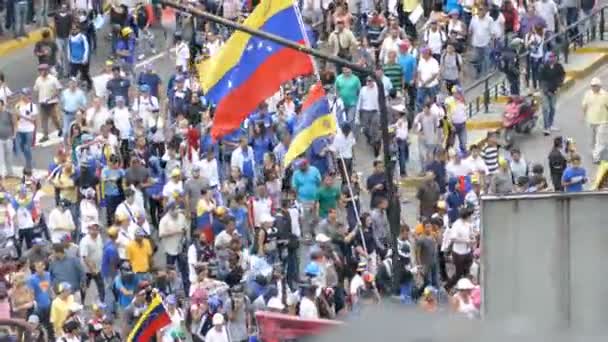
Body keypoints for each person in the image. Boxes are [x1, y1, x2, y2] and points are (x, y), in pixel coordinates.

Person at [582, 77, 608, 162]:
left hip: (602, 121)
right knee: (591, 139)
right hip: (590, 120)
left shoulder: (605, 95)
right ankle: (594, 152)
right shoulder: (588, 94)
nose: (593, 87)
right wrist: (583, 116)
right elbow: (584, 106)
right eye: (592, 86)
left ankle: (596, 157)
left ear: (599, 86)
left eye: (595, 86)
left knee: (600, 140)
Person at [539, 52, 565, 135]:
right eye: (550, 57)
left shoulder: (559, 66)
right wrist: (546, 91)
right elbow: (541, 80)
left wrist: (559, 85)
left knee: (552, 108)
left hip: (554, 90)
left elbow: (562, 75)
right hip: (545, 91)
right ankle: (546, 127)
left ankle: (551, 124)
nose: (552, 58)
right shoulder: (543, 67)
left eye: (554, 56)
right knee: (545, 108)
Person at [15, 88, 37, 172]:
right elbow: (16, 118)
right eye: (21, 94)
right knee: (21, 147)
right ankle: (29, 161)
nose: (22, 96)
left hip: (29, 130)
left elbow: (33, 119)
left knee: (27, 148)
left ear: (27, 95)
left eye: (23, 94)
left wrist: (22, 116)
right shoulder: (18, 105)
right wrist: (16, 116)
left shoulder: (32, 106)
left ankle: (28, 165)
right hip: (20, 130)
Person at [67, 26, 92, 90]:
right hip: (73, 60)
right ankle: (73, 87)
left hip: (82, 60)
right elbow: (69, 48)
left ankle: (89, 83)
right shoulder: (70, 37)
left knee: (84, 73)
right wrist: (69, 57)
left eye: (75, 29)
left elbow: (86, 48)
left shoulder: (82, 37)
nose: (74, 30)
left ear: (78, 29)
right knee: (72, 75)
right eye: (72, 29)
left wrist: (85, 58)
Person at [0, 99, 15, 178]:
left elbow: (14, 123)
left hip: (8, 137)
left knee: (9, 156)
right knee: (0, 157)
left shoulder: (8, 113)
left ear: (2, 105)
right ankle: (1, 174)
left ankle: (10, 172)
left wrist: (14, 134)